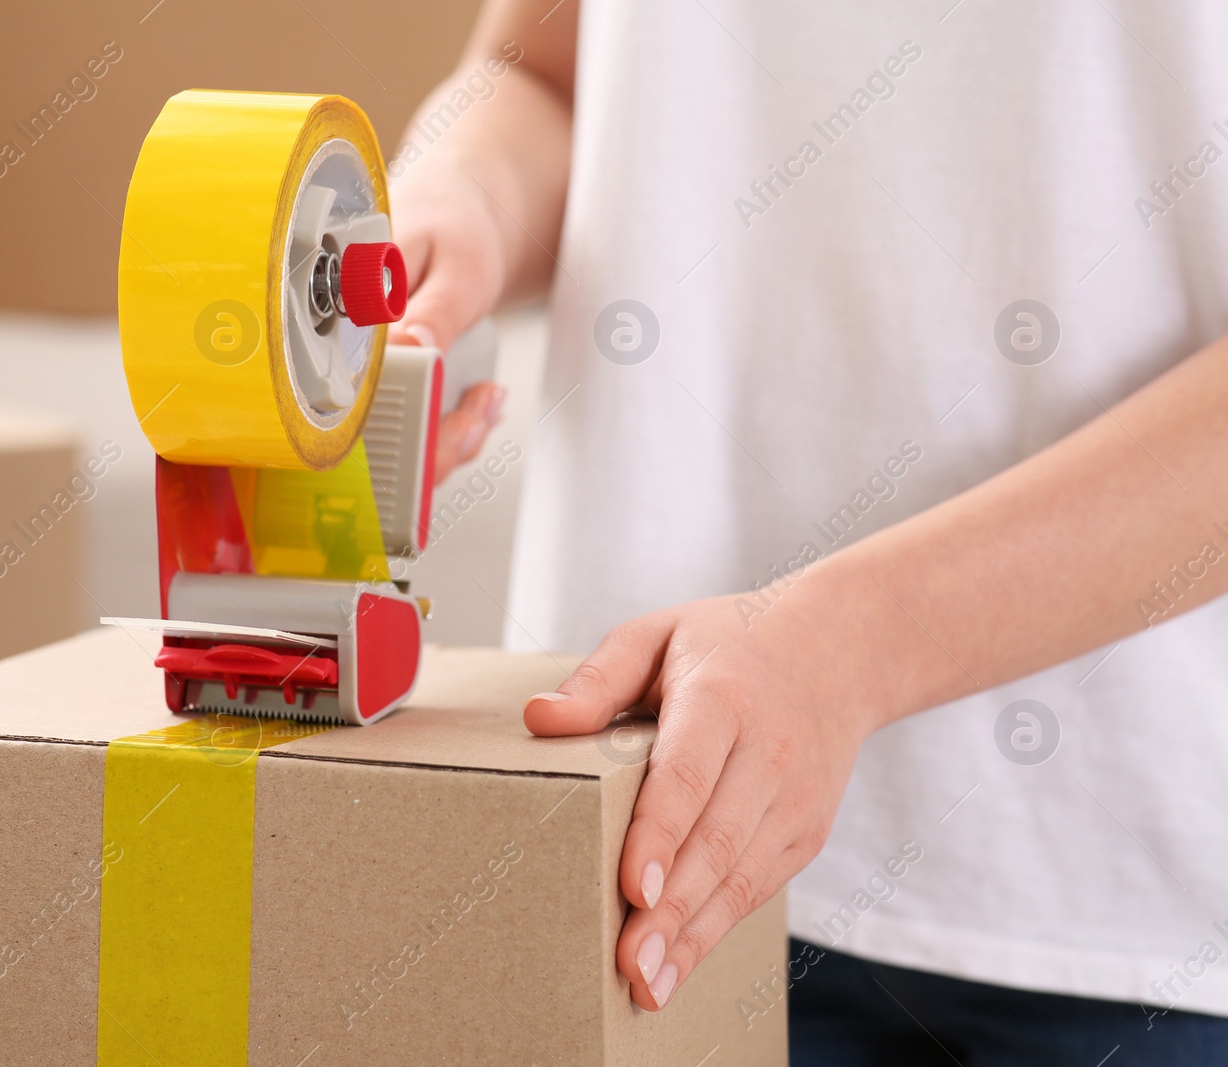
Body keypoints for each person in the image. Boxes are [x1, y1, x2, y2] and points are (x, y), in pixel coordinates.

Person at [391, 1, 1228, 1062]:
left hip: (1134, 919)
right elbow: (543, 72)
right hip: (634, 845)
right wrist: (459, 197)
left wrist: (854, 644)